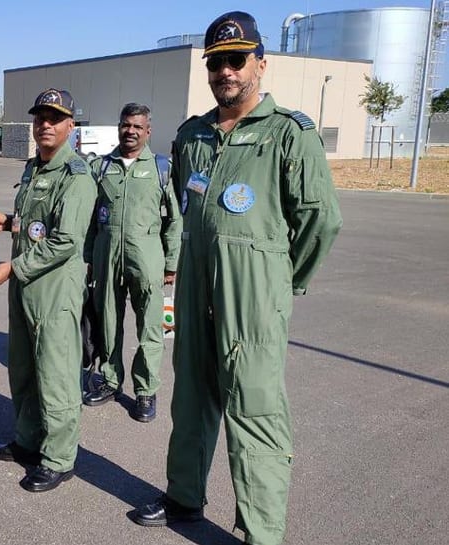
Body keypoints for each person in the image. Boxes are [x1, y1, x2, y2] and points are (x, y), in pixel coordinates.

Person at [130, 12, 342, 545]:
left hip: (253, 300)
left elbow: (320, 219)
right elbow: (182, 206)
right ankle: (184, 496)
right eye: (216, 61)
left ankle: (261, 532)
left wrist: (277, 281)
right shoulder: (192, 136)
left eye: (237, 59)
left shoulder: (289, 135)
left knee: (255, 411)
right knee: (191, 399)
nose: (226, 70)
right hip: (197, 289)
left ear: (261, 64)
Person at [0, 89, 97, 493]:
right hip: (26, 290)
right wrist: (8, 222)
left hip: (54, 293)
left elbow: (65, 240)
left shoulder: (76, 176)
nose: (45, 124)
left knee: (56, 375)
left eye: (55, 118)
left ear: (70, 126)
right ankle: (28, 441)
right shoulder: (34, 169)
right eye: (40, 117)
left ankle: (60, 458)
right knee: (24, 368)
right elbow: (37, 225)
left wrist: (14, 267)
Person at [83, 102, 181, 423]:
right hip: (106, 258)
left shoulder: (162, 168)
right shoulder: (101, 167)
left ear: (148, 131)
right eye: (126, 125)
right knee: (109, 323)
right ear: (118, 127)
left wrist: (171, 263)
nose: (131, 131)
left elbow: (175, 221)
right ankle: (111, 380)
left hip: (148, 260)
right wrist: (88, 258)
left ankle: (145, 391)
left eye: (138, 126)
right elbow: (89, 220)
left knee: (150, 327)